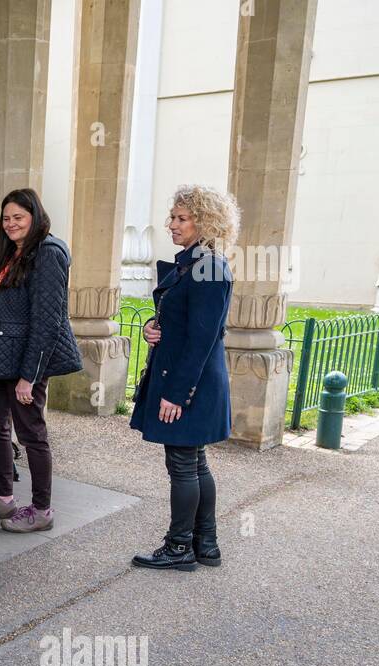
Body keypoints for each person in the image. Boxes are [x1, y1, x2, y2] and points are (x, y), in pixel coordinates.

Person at [130, 185, 239, 571]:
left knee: (182, 464)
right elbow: (181, 320)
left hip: (190, 382)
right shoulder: (197, 264)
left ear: (203, 222)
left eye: (181, 218)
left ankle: (179, 548)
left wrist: (177, 394)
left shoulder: (208, 266)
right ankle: (205, 544)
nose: (171, 225)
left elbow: (202, 339)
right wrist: (151, 327)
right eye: (172, 217)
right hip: (190, 377)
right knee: (195, 462)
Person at [0, 189, 81, 533]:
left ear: (34, 216)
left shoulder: (47, 253)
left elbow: (47, 322)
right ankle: (3, 497)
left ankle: (42, 509)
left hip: (26, 364)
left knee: (31, 433)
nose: (11, 223)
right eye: (6, 218)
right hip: (1, 359)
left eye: (18, 217)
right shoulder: (12, 254)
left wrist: (29, 377)